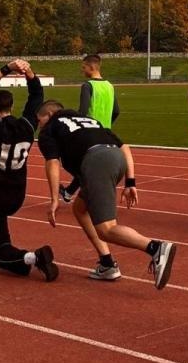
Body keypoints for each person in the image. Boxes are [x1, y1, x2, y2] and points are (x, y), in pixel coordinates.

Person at [37, 101, 176, 288]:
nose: (39, 125)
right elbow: (124, 147)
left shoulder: (49, 128)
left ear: (50, 113)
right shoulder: (89, 120)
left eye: (40, 120)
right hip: (116, 159)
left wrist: (54, 199)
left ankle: (155, 248)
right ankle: (107, 263)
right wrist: (130, 181)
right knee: (80, 209)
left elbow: (52, 162)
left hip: (96, 163)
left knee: (107, 229)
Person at [0, 59, 57, 281]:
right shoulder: (27, 126)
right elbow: (37, 97)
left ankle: (33, 258)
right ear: (11, 106)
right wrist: (29, 73)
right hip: (16, 193)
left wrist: (7, 68)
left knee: (2, 255)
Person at [60, 54, 121, 204]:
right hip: (105, 132)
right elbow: (116, 111)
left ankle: (83, 194)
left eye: (84, 67)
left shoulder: (87, 86)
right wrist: (107, 124)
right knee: (88, 165)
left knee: (78, 164)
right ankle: (69, 192)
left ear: (92, 67)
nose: (83, 70)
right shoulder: (109, 86)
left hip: (89, 133)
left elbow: (82, 111)